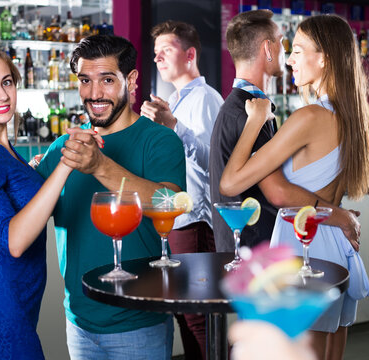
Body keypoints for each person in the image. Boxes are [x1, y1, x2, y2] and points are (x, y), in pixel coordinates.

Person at [0, 35, 186, 360]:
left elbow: (172, 204)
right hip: (78, 322)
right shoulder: (63, 145)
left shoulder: (159, 140)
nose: (94, 93)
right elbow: (23, 203)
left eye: (107, 80)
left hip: (137, 321)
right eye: (85, 80)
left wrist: (99, 166)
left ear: (131, 80)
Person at [220, 14, 369, 359]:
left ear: (324, 58)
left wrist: (255, 122)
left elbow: (230, 182)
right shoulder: (358, 119)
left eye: (298, 51)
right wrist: (340, 212)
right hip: (341, 251)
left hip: (304, 250)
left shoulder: (310, 118)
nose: (289, 59)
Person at [0, 45, 97, 359]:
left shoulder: (3, 150)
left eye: (6, 82)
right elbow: (14, 241)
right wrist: (65, 164)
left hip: (18, 301)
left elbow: (17, 195)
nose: (1, 95)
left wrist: (37, 170)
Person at [210, 9, 362, 254]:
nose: (289, 55)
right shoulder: (246, 113)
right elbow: (277, 192)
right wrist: (340, 216)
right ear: (268, 49)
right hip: (252, 250)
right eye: (283, 43)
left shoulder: (250, 107)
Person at [140, 20, 223, 360]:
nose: (158, 58)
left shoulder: (206, 98)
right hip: (172, 221)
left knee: (196, 317)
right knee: (182, 315)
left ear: (190, 55)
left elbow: (214, 164)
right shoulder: (172, 100)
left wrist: (173, 126)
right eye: (156, 52)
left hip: (194, 223)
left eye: (167, 50)